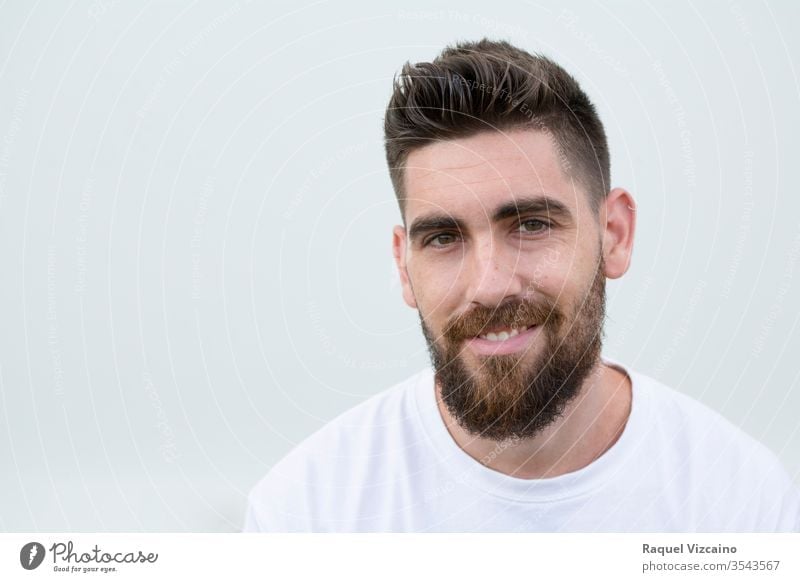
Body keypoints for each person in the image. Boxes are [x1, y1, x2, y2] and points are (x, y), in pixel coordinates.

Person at [243, 38, 800, 532]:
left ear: (615, 235)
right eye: (442, 237)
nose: (488, 285)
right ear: (403, 264)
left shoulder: (744, 507)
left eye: (531, 225)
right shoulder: (306, 516)